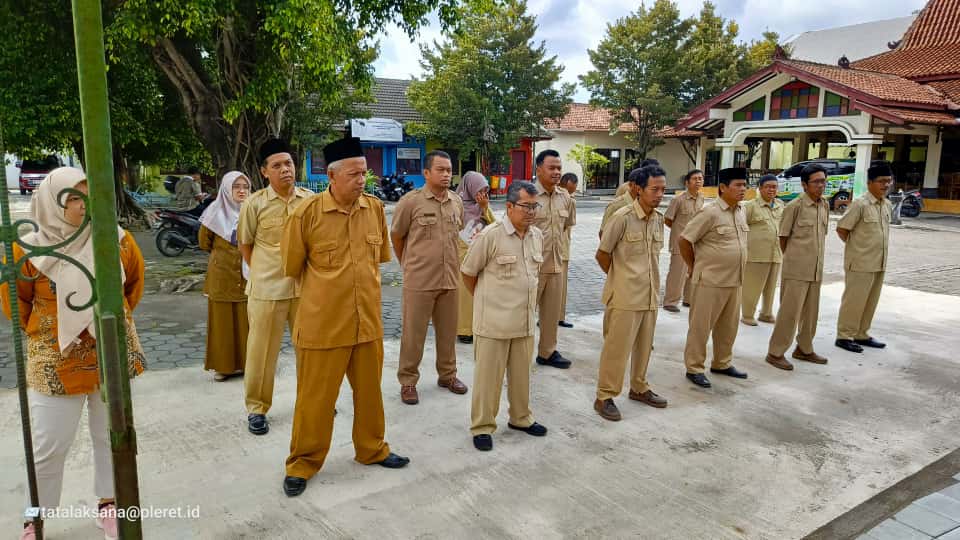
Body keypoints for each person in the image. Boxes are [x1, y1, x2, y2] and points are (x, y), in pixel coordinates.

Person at [1, 168, 146, 540]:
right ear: (52, 202)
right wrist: (52, 329)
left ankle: (110, 503)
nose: (85, 205)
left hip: (109, 353)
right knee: (48, 446)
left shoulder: (117, 240)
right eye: (74, 198)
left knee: (112, 436)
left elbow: (131, 287)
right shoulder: (27, 248)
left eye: (89, 195)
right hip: (54, 363)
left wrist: (100, 326)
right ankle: (35, 518)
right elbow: (15, 302)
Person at [280, 137, 408, 497]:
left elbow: (378, 260)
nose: (361, 180)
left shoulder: (375, 209)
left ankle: (372, 448)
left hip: (367, 322)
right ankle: (303, 462)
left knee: (370, 394)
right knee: (315, 400)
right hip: (323, 325)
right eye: (354, 174)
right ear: (332, 176)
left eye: (364, 173)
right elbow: (291, 267)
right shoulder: (306, 214)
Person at [461, 181, 548, 451]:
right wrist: (488, 302)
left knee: (522, 377)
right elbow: (468, 273)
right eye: (526, 206)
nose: (531, 212)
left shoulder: (536, 236)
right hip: (494, 323)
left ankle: (521, 418)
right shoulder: (491, 235)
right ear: (509, 207)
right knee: (488, 380)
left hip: (524, 321)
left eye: (535, 206)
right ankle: (482, 426)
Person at [237, 139, 313, 435]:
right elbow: (245, 246)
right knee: (261, 353)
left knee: (310, 350)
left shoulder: (309, 200)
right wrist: (264, 271)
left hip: (305, 290)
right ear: (264, 171)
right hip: (267, 291)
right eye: (277, 165)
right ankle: (257, 408)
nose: (285, 170)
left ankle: (312, 400)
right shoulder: (254, 204)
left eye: (289, 163)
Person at [391, 150, 468, 405]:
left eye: (449, 170)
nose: (446, 174)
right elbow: (397, 236)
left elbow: (459, 232)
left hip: (450, 279)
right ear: (426, 173)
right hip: (420, 280)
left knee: (448, 332)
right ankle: (408, 381)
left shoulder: (456, 201)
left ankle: (448, 375)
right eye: (441, 170)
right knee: (413, 334)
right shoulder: (411, 202)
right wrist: (407, 264)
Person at [594, 166, 668, 421]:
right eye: (654, 189)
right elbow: (602, 254)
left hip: (650, 294)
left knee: (645, 347)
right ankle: (604, 396)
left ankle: (639, 387)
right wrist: (620, 278)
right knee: (616, 349)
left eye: (663, 189)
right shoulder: (622, 217)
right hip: (625, 296)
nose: (660, 195)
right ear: (639, 189)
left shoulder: (658, 219)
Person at [678, 167, 750, 388]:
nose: (743, 189)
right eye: (738, 185)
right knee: (701, 328)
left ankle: (722, 362)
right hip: (710, 281)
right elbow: (684, 240)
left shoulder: (741, 211)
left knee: (728, 327)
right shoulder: (710, 213)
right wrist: (693, 266)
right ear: (723, 187)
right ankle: (694, 367)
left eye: (744, 185)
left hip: (734, 280)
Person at [765, 164, 831, 371]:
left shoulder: (825, 205)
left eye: (823, 181)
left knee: (811, 313)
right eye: (816, 181)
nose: (821, 185)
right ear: (804, 185)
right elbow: (783, 238)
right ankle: (775, 352)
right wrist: (794, 259)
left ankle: (804, 348)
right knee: (789, 313)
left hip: (816, 268)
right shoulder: (794, 206)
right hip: (796, 269)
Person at [835, 163, 894, 353]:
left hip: (879, 262)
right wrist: (857, 248)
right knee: (854, 300)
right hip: (860, 262)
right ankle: (844, 336)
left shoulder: (886, 204)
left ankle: (861, 333)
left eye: (888, 181)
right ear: (870, 183)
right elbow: (842, 229)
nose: (886, 185)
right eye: (881, 181)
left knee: (870, 301)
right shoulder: (860, 204)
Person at [198, 171, 251, 381]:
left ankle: (250, 366)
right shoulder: (214, 212)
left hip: (248, 274)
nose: (241, 191)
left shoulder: (254, 210)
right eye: (236, 186)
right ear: (226, 189)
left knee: (248, 322)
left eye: (245, 187)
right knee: (222, 323)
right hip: (221, 276)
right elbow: (204, 242)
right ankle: (223, 367)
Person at [532, 150, 576, 369]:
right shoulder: (528, 196)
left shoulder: (565, 197)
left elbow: (566, 227)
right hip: (531, 267)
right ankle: (515, 353)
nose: (557, 172)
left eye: (559, 168)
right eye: (552, 167)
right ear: (539, 169)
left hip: (556, 265)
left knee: (550, 315)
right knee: (522, 314)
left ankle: (547, 352)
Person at [455, 171, 496, 345]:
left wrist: (485, 207)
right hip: (461, 255)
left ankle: (479, 326)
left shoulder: (483, 205)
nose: (483, 194)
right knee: (465, 294)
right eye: (480, 190)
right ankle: (464, 330)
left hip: (481, 255)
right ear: (470, 188)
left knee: (480, 292)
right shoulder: (456, 204)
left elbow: (496, 227)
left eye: (485, 190)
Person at [741, 174, 784, 326]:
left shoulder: (780, 205)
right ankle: (747, 314)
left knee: (771, 287)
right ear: (760, 188)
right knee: (752, 286)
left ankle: (766, 313)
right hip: (756, 254)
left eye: (774, 187)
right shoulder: (750, 206)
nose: (772, 190)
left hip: (776, 252)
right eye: (768, 187)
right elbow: (740, 227)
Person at [663, 169, 705, 312]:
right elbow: (668, 219)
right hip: (680, 243)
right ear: (687, 183)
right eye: (695, 179)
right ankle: (670, 302)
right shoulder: (678, 200)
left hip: (695, 242)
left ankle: (688, 299)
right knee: (677, 273)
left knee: (693, 271)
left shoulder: (701, 198)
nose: (698, 181)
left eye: (700, 178)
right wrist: (679, 232)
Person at [600, 167, 644, 240]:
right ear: (631, 185)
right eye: (641, 184)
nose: (643, 187)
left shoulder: (646, 205)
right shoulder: (616, 206)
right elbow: (603, 234)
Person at [558, 172, 579, 328]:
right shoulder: (567, 200)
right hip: (557, 250)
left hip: (562, 249)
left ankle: (557, 317)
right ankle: (552, 317)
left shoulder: (569, 199)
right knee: (557, 288)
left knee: (560, 287)